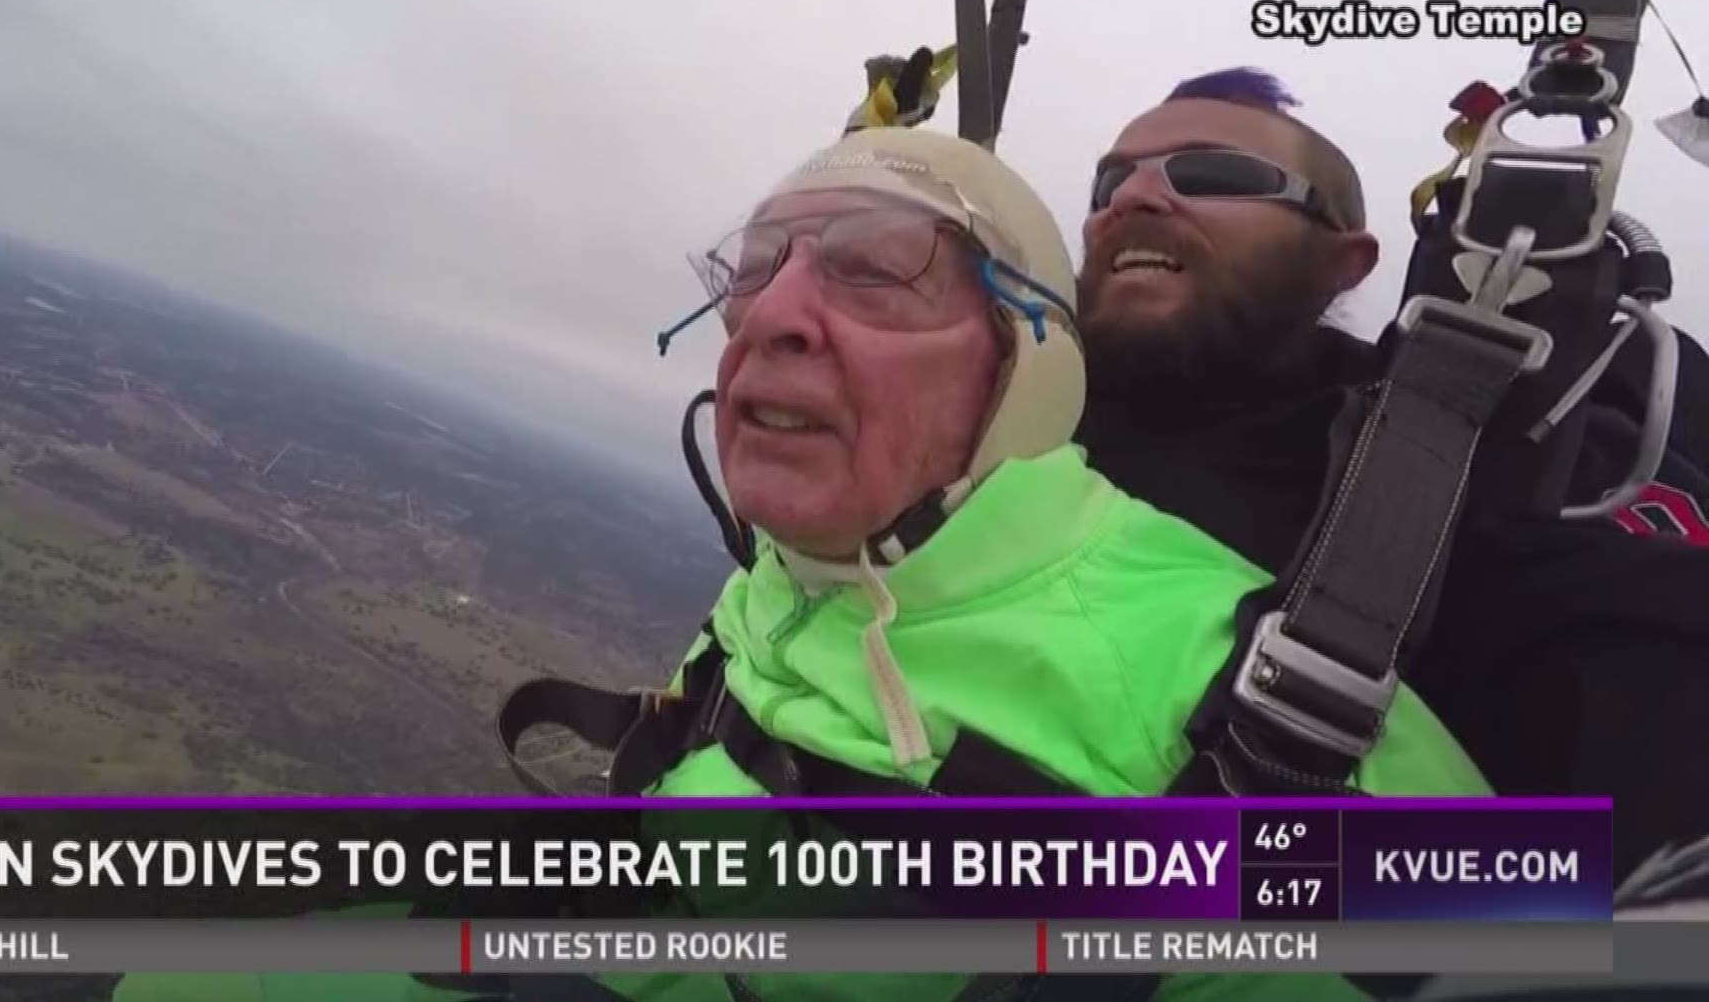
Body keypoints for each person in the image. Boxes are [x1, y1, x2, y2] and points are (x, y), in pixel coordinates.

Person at [112, 127, 1487, 1002]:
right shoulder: (815, 561)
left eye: (876, 271)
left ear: (1028, 364)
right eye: (756, 269)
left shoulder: (1263, 721)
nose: (769, 316)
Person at [1071, 67, 1709, 875]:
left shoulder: (1441, 478)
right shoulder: (978, 427)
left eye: (1215, 175)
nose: (1137, 197)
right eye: (1110, 182)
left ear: (1348, 260)